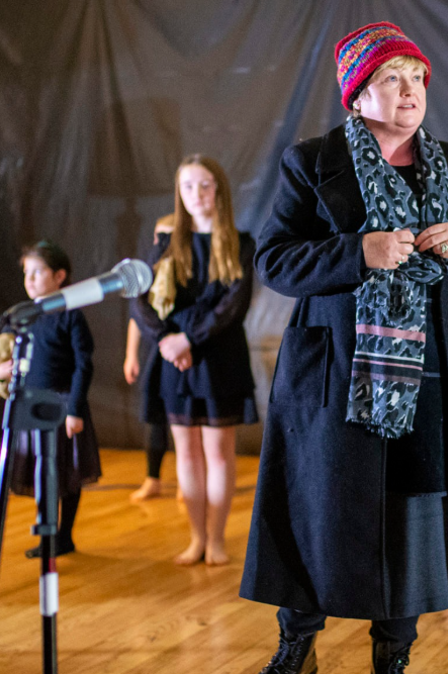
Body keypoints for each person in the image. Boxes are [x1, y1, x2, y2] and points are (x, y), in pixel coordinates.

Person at [242, 21, 448, 674]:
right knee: (321, 511)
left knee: (413, 525)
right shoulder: (313, 162)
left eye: (417, 77)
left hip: (434, 380)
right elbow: (274, 260)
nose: (409, 90)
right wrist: (356, 252)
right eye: (392, 78)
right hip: (341, 378)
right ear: (357, 95)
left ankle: (393, 655)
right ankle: (297, 647)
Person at [132, 154, 257, 566]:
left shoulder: (241, 242)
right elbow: (139, 301)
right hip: (175, 359)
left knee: (219, 453)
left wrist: (189, 339)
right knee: (185, 453)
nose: (196, 194)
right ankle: (196, 538)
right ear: (178, 193)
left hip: (218, 357)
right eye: (187, 186)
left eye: (204, 185)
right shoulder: (165, 244)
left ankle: (217, 540)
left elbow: (233, 306)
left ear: (218, 189)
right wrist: (168, 341)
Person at [0, 240, 101, 558]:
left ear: (60, 276)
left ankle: (63, 536)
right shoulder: (21, 318)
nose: (30, 279)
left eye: (39, 272)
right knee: (40, 472)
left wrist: (75, 410)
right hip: (31, 405)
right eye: (27, 272)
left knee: (65, 472)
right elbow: (10, 357)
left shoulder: (70, 317)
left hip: (63, 404)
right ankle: (48, 535)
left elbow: (84, 364)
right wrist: (0, 371)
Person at [125, 215, 175, 503]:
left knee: (186, 423)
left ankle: (188, 482)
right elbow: (137, 317)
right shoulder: (149, 274)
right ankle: (152, 478)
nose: (160, 243)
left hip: (181, 353)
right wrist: (131, 355)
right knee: (155, 418)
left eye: (167, 237)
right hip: (156, 354)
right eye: (158, 237)